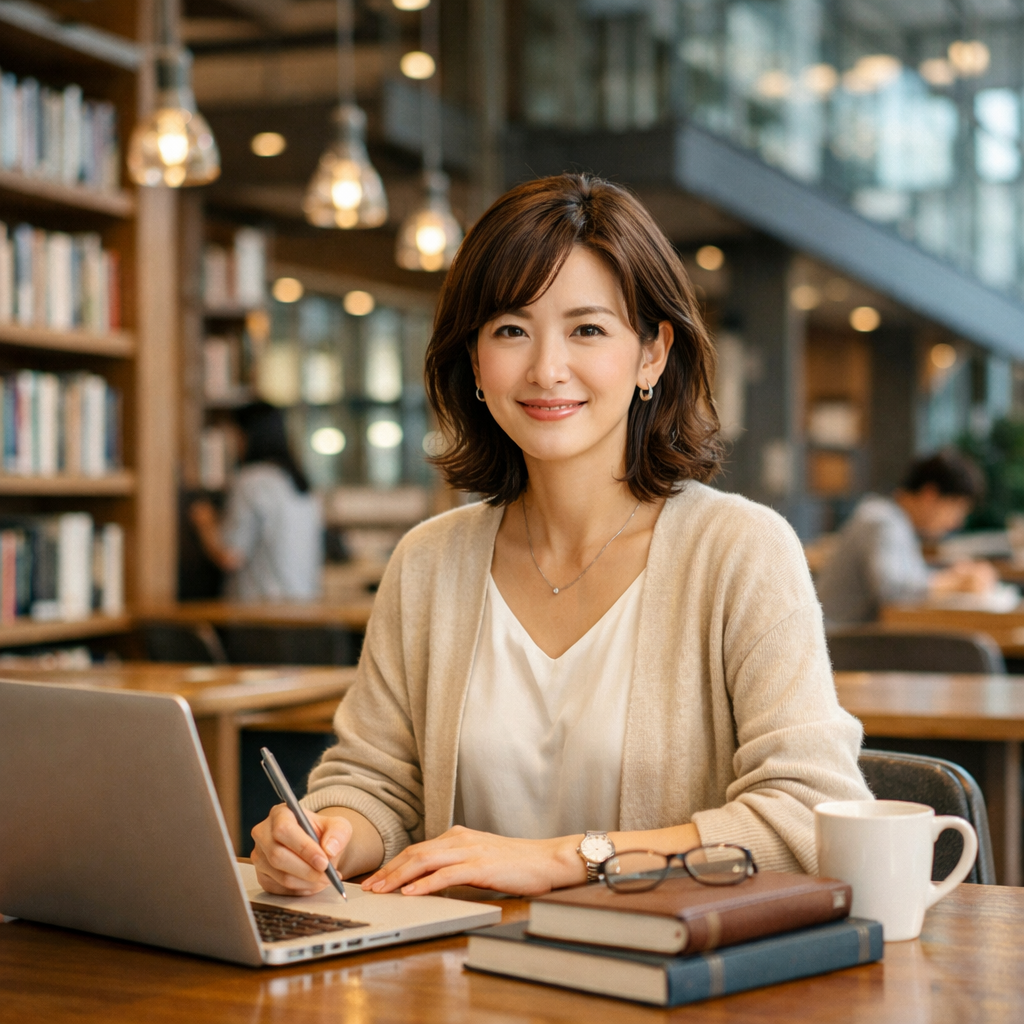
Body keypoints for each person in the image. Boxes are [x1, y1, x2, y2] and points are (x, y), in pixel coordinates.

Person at [251, 173, 870, 900]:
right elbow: (376, 781)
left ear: (651, 354)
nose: (547, 369)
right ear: (475, 362)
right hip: (455, 984)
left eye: (587, 329)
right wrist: (327, 833)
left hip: (667, 987)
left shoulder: (741, 550)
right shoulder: (427, 562)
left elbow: (809, 818)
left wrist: (563, 859)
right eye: (511, 330)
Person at [815, 450, 996, 627]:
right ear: (930, 496)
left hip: (850, 639)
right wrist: (954, 583)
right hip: (838, 643)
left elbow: (907, 582)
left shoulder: (896, 521)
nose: (957, 522)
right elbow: (892, 593)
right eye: (957, 508)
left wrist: (954, 576)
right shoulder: (882, 520)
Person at [189, 402, 323, 601]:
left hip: (261, 616)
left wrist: (204, 521)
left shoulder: (252, 481)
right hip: (304, 612)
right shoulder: (300, 484)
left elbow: (230, 556)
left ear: (247, 435)